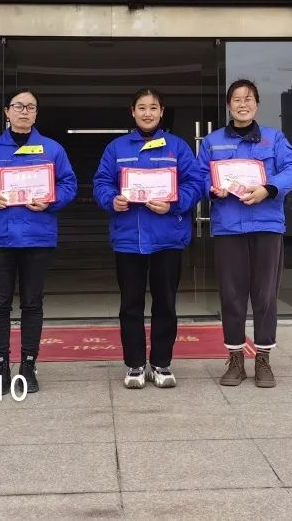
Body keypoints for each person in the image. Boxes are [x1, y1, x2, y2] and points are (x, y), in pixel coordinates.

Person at [0, 89, 77, 395]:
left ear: (36, 113)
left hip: (37, 236)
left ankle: (28, 365)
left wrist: (51, 200)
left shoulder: (52, 149)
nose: (24, 111)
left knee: (32, 303)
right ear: (7, 111)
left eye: (30, 107)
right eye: (18, 106)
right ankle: (1, 366)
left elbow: (69, 184)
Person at [93, 88, 203, 389]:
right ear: (132, 112)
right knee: (130, 304)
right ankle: (135, 364)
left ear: (162, 112)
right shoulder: (116, 148)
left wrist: (174, 203)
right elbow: (101, 181)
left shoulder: (177, 147)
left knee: (165, 303)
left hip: (168, 237)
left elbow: (196, 182)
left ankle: (161, 363)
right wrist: (111, 199)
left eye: (153, 107)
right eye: (141, 107)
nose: (147, 113)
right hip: (129, 238)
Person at [198, 79, 292, 388]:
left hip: (266, 226)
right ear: (228, 105)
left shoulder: (274, 138)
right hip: (228, 227)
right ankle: (235, 359)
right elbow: (199, 175)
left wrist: (268, 189)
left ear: (256, 104)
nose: (242, 104)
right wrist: (213, 189)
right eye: (236, 99)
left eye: (248, 99)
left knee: (265, 295)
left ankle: (263, 359)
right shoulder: (213, 142)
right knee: (231, 296)